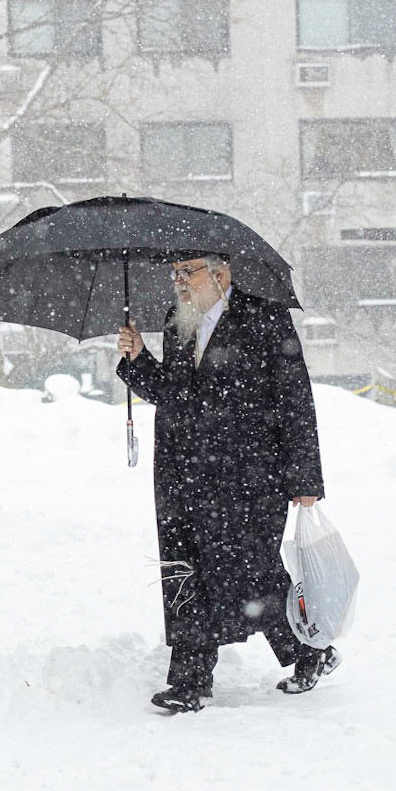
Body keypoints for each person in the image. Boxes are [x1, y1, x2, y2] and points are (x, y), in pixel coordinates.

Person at [116, 252, 339, 713]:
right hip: (185, 475)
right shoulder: (177, 321)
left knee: (250, 573)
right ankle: (191, 682)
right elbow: (174, 396)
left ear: (220, 275)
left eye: (187, 273)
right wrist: (138, 360)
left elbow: (295, 399)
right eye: (174, 274)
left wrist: (305, 477)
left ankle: (308, 649)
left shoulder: (263, 318)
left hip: (250, 476)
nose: (178, 282)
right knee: (188, 573)